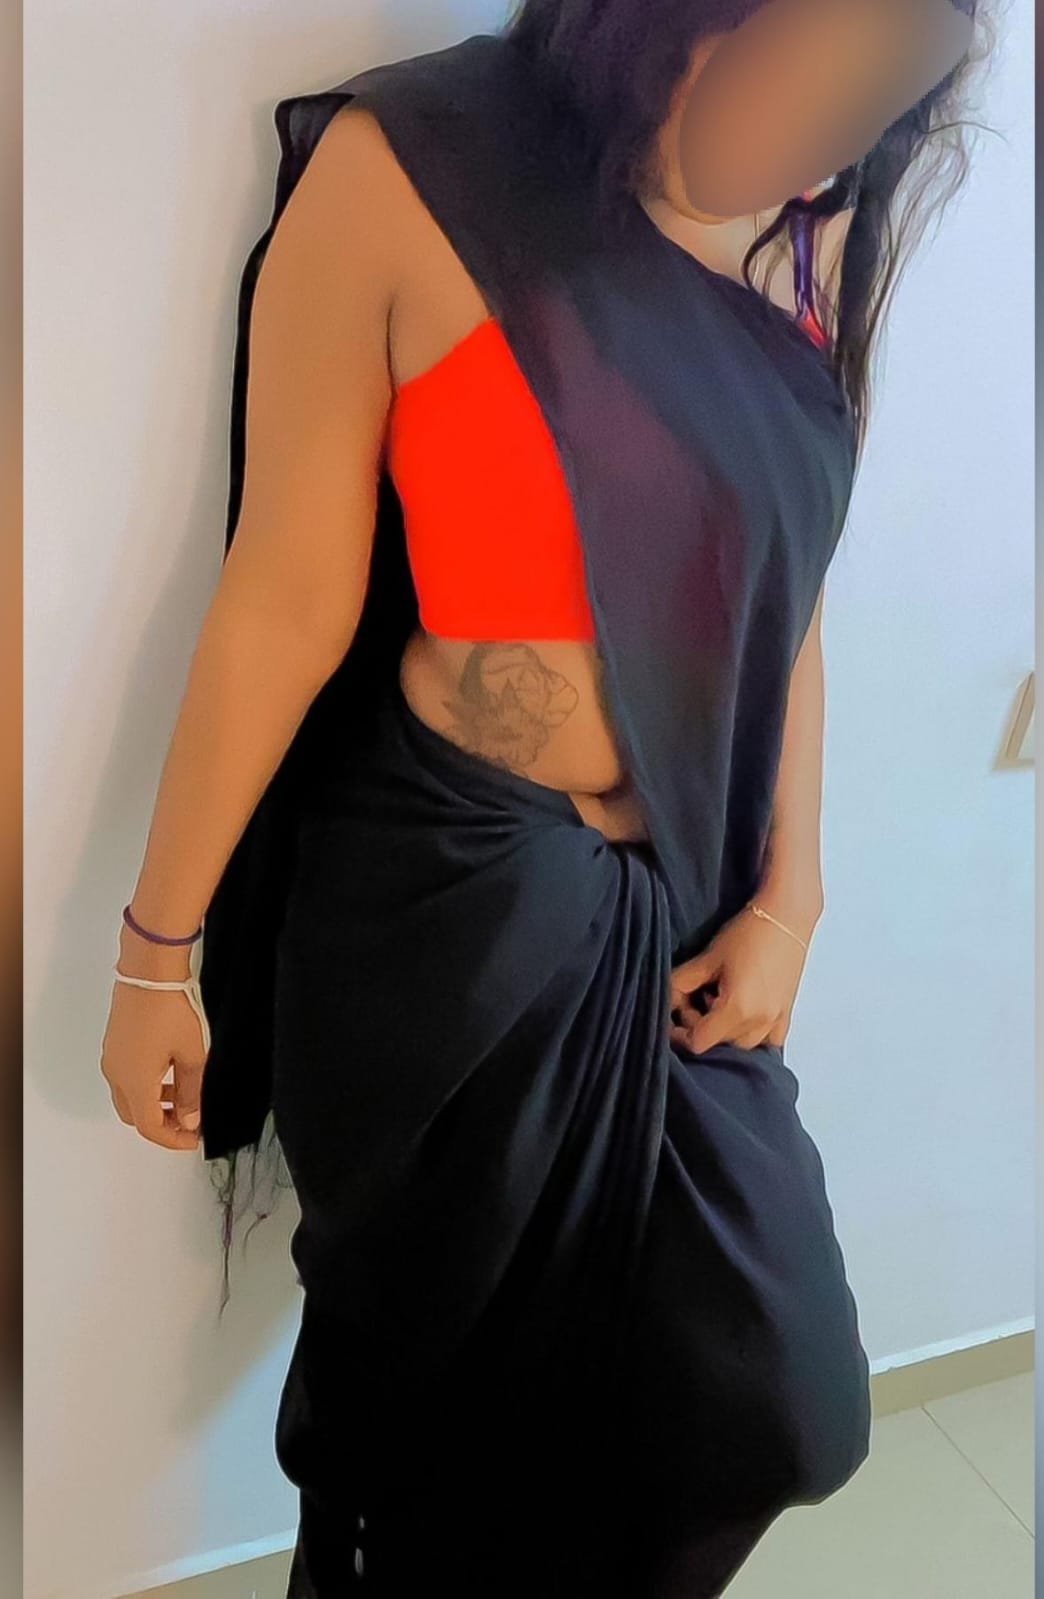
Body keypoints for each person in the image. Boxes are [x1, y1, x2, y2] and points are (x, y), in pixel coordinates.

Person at [99, 4, 988, 1594]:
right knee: (439, 1429)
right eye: (799, 88)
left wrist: (792, 894)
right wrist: (152, 958)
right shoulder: (414, 169)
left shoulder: (807, 232)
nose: (816, 154)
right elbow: (284, 602)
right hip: (447, 913)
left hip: (687, 909)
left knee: (780, 1407)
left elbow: (786, 591)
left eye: (862, 117)